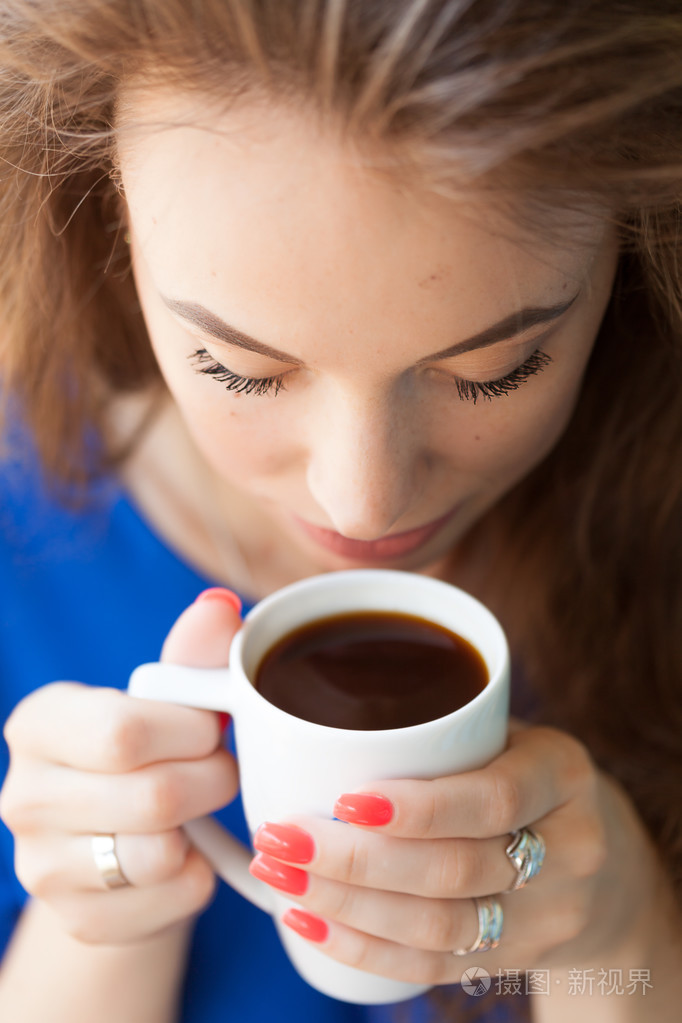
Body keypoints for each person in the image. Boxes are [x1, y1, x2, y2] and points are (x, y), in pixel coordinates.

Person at [0, 1, 680, 1020]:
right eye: (237, 367)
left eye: (495, 372)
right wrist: (104, 914)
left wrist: (615, 926)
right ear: (107, 224)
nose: (361, 504)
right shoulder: (24, 536)